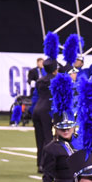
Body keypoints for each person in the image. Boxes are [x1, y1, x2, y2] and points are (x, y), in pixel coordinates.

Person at [39, 73, 78, 182]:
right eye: (62, 128)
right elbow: (47, 180)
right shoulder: (51, 149)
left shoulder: (82, 143)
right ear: (55, 127)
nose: (66, 130)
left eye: (69, 127)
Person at [33, 33, 61, 171]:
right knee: (48, 138)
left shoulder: (40, 80)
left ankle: (39, 164)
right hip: (47, 110)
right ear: (55, 70)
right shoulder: (56, 79)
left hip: (37, 108)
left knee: (39, 139)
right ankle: (47, 164)